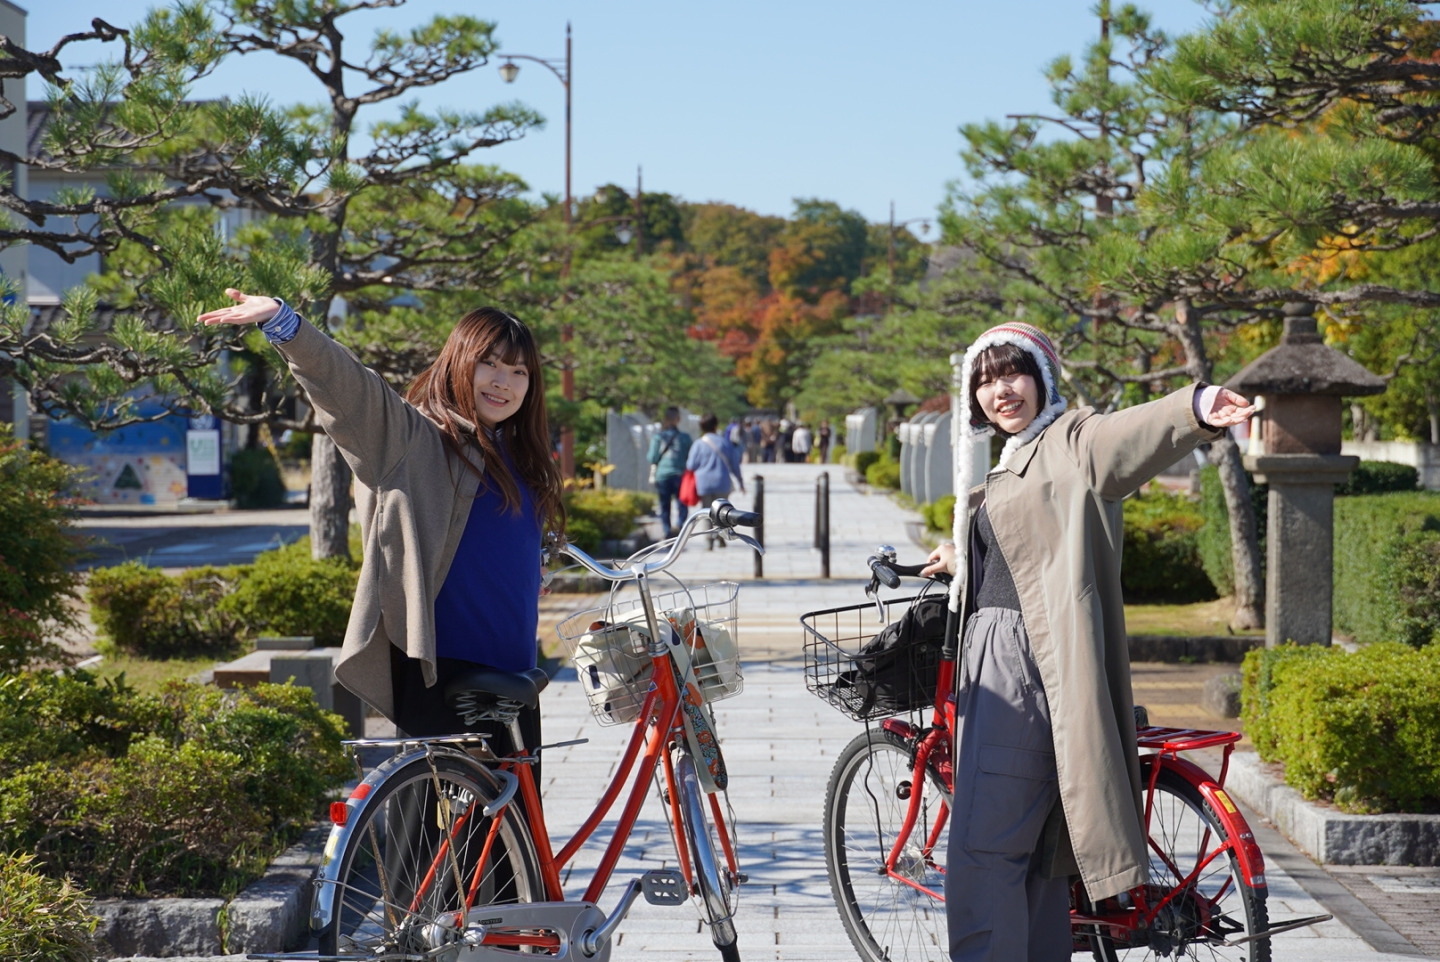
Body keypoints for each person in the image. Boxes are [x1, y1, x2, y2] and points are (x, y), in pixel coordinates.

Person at [919, 321, 1254, 962]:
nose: (999, 391)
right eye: (984, 380)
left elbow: (1118, 438)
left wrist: (1193, 408)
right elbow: (1028, 543)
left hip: (1018, 672)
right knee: (1041, 859)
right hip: (1021, 665)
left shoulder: (1069, 440)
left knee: (983, 852)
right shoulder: (1018, 456)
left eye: (1012, 373)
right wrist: (961, 553)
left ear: (1043, 379)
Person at [198, 289, 565, 759]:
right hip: (442, 668)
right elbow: (352, 389)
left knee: (512, 825)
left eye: (519, 372)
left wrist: (535, 564)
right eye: (490, 363)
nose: (504, 382)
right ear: (458, 362)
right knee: (426, 824)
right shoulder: (416, 437)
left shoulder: (520, 456)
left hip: (515, 672)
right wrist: (285, 325)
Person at [685, 412, 745, 548]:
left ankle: (708, 540)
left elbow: (690, 465)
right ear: (716, 426)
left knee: (707, 511)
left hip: (704, 483)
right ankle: (721, 535)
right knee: (722, 511)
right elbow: (735, 464)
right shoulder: (725, 442)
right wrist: (740, 482)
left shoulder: (698, 444)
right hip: (722, 482)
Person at [647, 406, 692, 538]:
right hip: (680, 475)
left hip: (663, 475)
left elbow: (651, 458)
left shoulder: (658, 437)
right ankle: (680, 525)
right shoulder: (685, 437)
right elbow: (690, 457)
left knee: (664, 505)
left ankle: (667, 531)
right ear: (678, 419)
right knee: (682, 503)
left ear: (665, 419)